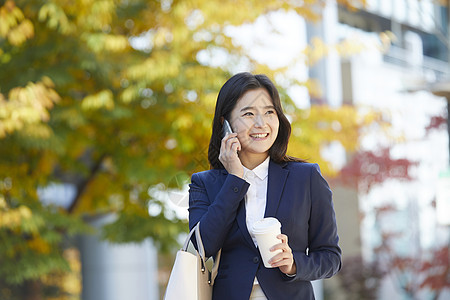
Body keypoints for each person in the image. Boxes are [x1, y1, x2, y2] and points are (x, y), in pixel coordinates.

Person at [188, 72, 341, 300]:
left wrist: (294, 264)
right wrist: (235, 180)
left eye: (269, 112)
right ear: (225, 124)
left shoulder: (306, 178)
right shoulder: (205, 183)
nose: (261, 123)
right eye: (248, 113)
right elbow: (200, 249)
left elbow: (331, 258)